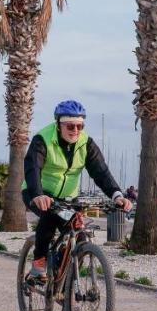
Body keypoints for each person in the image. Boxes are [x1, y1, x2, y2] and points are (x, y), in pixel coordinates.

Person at [22, 99, 132, 283]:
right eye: (70, 126)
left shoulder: (86, 143)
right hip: (38, 192)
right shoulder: (42, 140)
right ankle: (39, 264)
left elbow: (101, 171)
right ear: (59, 124)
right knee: (49, 217)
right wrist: (37, 194)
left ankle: (67, 280)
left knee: (80, 233)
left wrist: (117, 194)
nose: (75, 131)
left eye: (80, 126)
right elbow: (33, 168)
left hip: (68, 197)